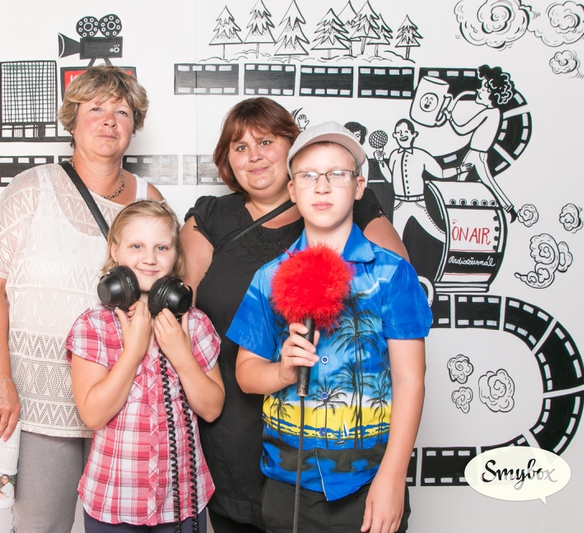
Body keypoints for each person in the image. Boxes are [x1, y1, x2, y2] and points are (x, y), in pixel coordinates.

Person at [180, 98, 407, 533]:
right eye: (240, 147)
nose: (254, 156)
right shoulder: (224, 228)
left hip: (347, 450)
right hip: (237, 431)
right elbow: (182, 307)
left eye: (266, 142)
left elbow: (393, 299)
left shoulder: (347, 209)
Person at [0, 65, 163, 533]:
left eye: (122, 111)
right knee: (40, 525)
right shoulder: (30, 188)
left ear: (134, 126)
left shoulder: (148, 199)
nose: (109, 120)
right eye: (95, 108)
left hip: (122, 398)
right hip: (39, 400)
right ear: (72, 120)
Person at [229, 121, 432, 533]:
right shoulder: (268, 277)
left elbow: (410, 379)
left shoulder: (392, 274)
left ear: (359, 186)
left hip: (369, 483)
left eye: (337, 174)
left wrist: (392, 479)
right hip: (287, 486)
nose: (321, 187)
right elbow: (247, 375)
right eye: (308, 176)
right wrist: (283, 371)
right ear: (292, 190)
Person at [66, 200, 224, 532]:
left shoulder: (194, 324)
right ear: (115, 250)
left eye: (161, 247)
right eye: (136, 246)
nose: (150, 258)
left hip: (181, 502)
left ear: (175, 255)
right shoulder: (94, 325)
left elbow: (211, 409)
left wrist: (180, 353)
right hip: (114, 499)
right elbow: (93, 415)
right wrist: (134, 350)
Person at [375, 118, 470, 242]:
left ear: (413, 134)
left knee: (437, 232)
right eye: (399, 132)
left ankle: (453, 245)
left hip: (418, 202)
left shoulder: (421, 155)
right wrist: (381, 162)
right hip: (399, 204)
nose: (402, 135)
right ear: (395, 135)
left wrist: (459, 169)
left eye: (406, 132)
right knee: (396, 239)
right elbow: (390, 178)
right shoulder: (394, 155)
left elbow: (440, 173)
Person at [445, 64, 518, 222]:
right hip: (476, 153)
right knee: (468, 182)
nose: (478, 90)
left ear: (492, 93)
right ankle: (508, 208)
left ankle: (458, 213)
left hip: (477, 154)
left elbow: (462, 129)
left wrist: (450, 117)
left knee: (471, 182)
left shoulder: (489, 113)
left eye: (483, 88)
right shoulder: (495, 113)